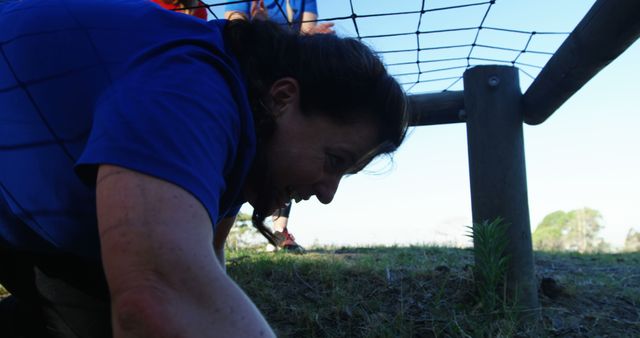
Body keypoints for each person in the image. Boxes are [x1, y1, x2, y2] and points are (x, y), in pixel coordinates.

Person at [0, 0, 408, 337]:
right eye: (334, 161)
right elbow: (157, 301)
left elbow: (203, 265)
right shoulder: (195, 90)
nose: (327, 193)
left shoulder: (248, 124)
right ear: (283, 98)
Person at [225, 0, 334, 252]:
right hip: (249, 74)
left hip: (286, 70)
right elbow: (234, 26)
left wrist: (307, 37)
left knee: (288, 151)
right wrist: (260, 26)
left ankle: (279, 230)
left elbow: (307, 32)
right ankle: (220, 226)